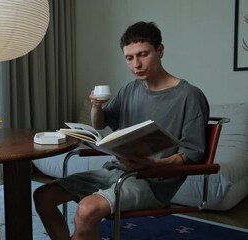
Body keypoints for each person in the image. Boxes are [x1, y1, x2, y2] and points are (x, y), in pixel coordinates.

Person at [33, 21, 210, 240]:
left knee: (87, 210)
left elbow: (193, 154)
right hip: (118, 172)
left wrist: (153, 164)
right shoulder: (130, 89)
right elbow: (100, 124)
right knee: (43, 196)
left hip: (155, 182)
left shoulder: (189, 96)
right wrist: (96, 108)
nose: (136, 64)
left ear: (160, 50)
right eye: (129, 58)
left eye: (143, 55)